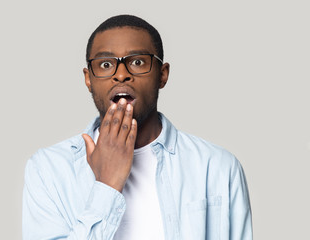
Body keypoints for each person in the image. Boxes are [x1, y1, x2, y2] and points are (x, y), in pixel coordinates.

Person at [22, 14, 252, 240]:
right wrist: (107, 185)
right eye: (105, 64)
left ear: (162, 75)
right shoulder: (48, 170)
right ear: (88, 79)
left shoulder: (219, 166)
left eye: (137, 62)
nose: (121, 75)